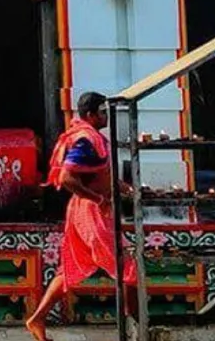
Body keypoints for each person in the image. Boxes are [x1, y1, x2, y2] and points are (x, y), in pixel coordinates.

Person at [26, 91, 137, 341]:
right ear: (90, 115)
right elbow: (67, 178)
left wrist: (125, 188)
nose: (106, 116)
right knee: (127, 266)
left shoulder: (91, 138)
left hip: (84, 210)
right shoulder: (86, 140)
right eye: (102, 112)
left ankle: (37, 319)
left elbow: (102, 175)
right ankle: (139, 327)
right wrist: (99, 199)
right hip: (92, 212)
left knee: (69, 269)